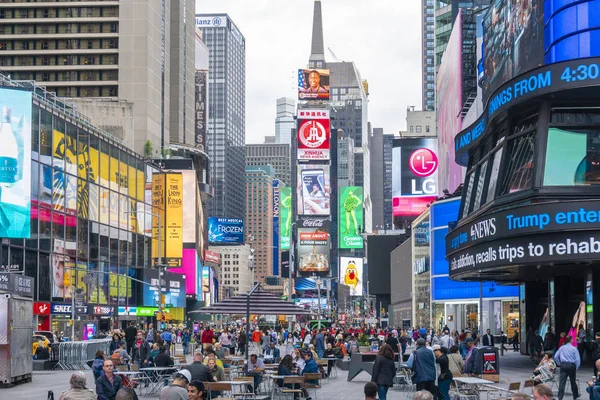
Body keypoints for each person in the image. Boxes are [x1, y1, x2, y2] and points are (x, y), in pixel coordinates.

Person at [554, 335, 581, 400]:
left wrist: (559, 363)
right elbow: (577, 359)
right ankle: (575, 396)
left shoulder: (561, 348)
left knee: (562, 382)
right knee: (573, 381)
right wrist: (576, 367)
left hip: (563, 365)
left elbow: (555, 357)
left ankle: (560, 397)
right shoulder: (574, 349)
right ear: (571, 340)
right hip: (571, 365)